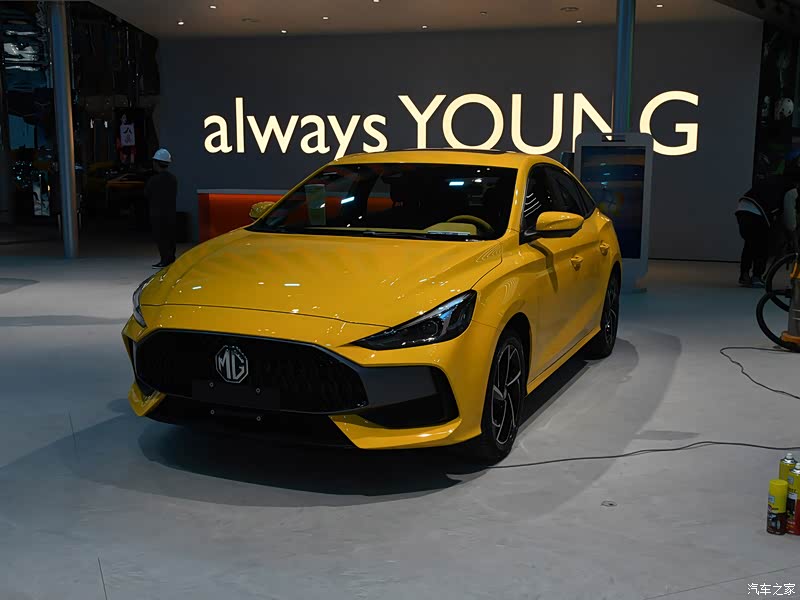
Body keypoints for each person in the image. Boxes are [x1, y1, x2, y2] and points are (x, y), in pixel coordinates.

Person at [735, 177, 783, 287]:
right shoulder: (789, 189)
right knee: (762, 246)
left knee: (749, 244)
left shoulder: (771, 182)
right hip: (758, 212)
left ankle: (744, 275)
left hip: (742, 208)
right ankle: (757, 276)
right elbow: (788, 215)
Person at [144, 148, 177, 268]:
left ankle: (164, 260)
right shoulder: (173, 179)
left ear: (156, 163)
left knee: (161, 237)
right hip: (170, 212)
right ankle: (170, 258)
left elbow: (147, 194)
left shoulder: (153, 180)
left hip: (157, 213)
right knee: (170, 236)